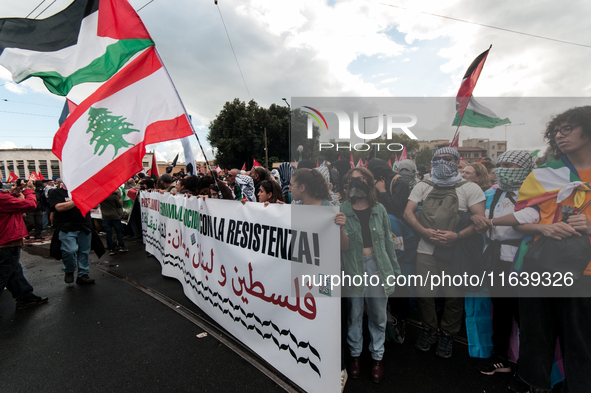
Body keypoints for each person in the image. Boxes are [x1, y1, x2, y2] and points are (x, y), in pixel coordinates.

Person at [511, 107, 591, 392]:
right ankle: (534, 385)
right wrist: (545, 228)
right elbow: (521, 222)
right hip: (541, 267)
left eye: (567, 128)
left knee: (581, 343)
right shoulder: (543, 175)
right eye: (557, 130)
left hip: (584, 275)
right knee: (535, 337)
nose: (559, 135)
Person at [403, 147, 485, 358]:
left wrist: (456, 236)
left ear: (458, 161)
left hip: (456, 252)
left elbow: (480, 222)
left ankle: (447, 333)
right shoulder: (423, 185)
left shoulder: (470, 189)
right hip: (426, 250)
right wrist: (423, 232)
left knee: (454, 296)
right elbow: (408, 212)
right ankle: (429, 329)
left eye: (447, 159)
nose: (442, 162)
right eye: (437, 159)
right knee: (424, 294)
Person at [468, 151, 538, 391]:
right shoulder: (491, 193)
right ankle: (501, 357)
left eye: (510, 165)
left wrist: (493, 223)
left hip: (523, 262)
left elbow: (530, 218)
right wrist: (477, 221)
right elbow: (477, 215)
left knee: (526, 316)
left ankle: (531, 369)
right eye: (501, 165)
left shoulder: (535, 194)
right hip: (496, 260)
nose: (504, 169)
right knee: (501, 310)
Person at [340, 167, 400, 383]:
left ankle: (377, 357)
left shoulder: (380, 209)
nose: (358, 181)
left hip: (378, 266)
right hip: (352, 268)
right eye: (353, 179)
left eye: (362, 178)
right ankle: (355, 356)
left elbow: (387, 244)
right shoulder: (341, 209)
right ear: (348, 184)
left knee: (378, 315)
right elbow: (342, 248)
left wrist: (395, 272)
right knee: (354, 315)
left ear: (370, 182)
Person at [0, 178, 48, 313]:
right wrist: (29, 190)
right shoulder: (2, 197)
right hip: (5, 241)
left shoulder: (4, 197)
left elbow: (10, 202)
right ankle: (25, 297)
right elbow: (30, 204)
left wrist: (14, 192)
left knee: (14, 271)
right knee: (4, 273)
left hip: (7, 241)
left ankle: (25, 297)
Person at [48, 182, 97, 285]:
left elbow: (95, 206)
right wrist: (78, 200)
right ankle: (69, 269)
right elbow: (59, 207)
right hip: (67, 227)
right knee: (70, 250)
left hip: (84, 225)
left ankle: (83, 275)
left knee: (84, 251)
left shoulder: (83, 191)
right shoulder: (56, 193)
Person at [100, 188, 128, 256]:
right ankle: (122, 246)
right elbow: (119, 205)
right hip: (114, 216)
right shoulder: (114, 196)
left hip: (105, 217)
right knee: (118, 231)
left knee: (109, 233)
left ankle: (111, 249)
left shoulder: (101, 196)